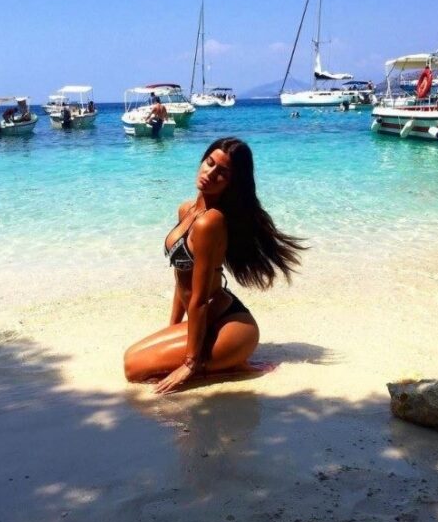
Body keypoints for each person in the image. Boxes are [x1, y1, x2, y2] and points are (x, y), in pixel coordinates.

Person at [124, 137, 306, 394]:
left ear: (232, 182)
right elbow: (181, 280)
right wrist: (172, 327)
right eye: (209, 163)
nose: (210, 174)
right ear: (202, 160)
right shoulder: (186, 210)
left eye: (222, 173)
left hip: (230, 326)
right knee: (130, 358)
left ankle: (232, 364)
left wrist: (190, 363)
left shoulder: (211, 222)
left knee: (134, 369)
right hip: (206, 321)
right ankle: (225, 362)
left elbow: (198, 299)